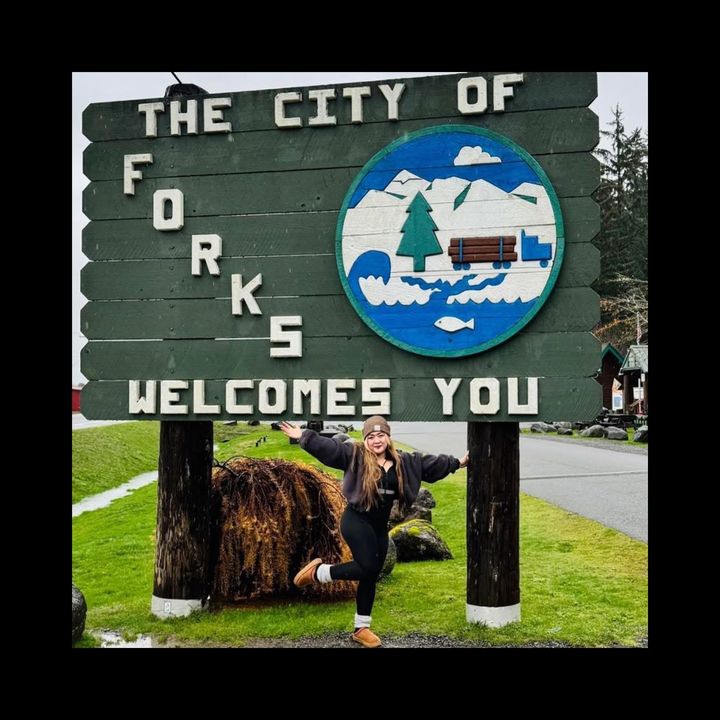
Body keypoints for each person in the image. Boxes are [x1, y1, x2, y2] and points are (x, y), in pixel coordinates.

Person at [279, 416, 469, 648]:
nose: (376, 440)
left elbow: (431, 464)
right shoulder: (355, 455)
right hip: (356, 520)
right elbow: (331, 449)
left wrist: (458, 463)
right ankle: (319, 572)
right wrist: (304, 436)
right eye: (371, 436)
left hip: (379, 526)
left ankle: (361, 629)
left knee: (370, 575)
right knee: (367, 566)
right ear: (365, 440)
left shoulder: (403, 461)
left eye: (381, 435)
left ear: (388, 437)